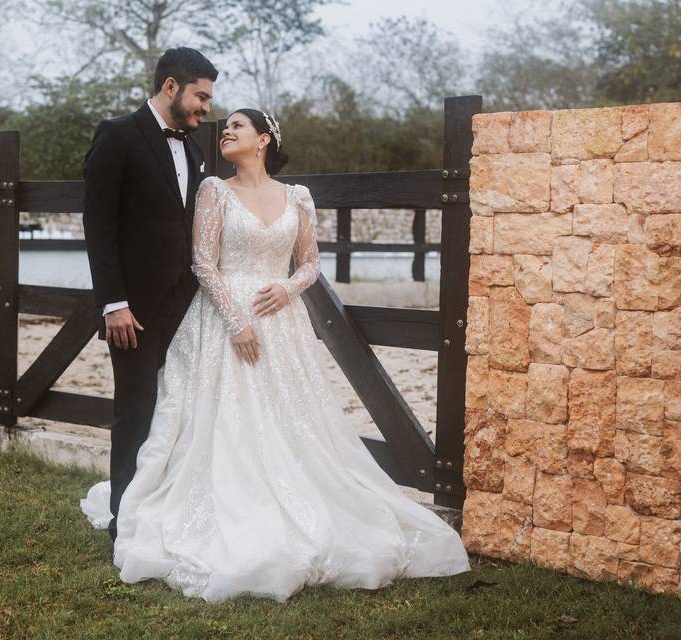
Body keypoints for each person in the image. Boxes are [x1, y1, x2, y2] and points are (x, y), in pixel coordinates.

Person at [81, 108, 471, 603]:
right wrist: (237, 321)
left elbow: (311, 264)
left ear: (263, 139)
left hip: (281, 323)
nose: (225, 130)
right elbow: (203, 261)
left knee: (291, 419)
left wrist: (287, 289)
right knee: (226, 420)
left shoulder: (297, 197)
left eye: (237, 126)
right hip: (223, 319)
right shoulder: (213, 191)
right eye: (224, 126)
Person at [82, 47, 217, 544]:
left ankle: (166, 512)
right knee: (135, 411)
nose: (205, 108)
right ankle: (124, 520)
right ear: (170, 87)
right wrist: (113, 302)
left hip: (187, 306)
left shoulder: (197, 151)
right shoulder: (117, 134)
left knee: (177, 411)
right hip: (134, 310)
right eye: (200, 96)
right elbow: (98, 225)